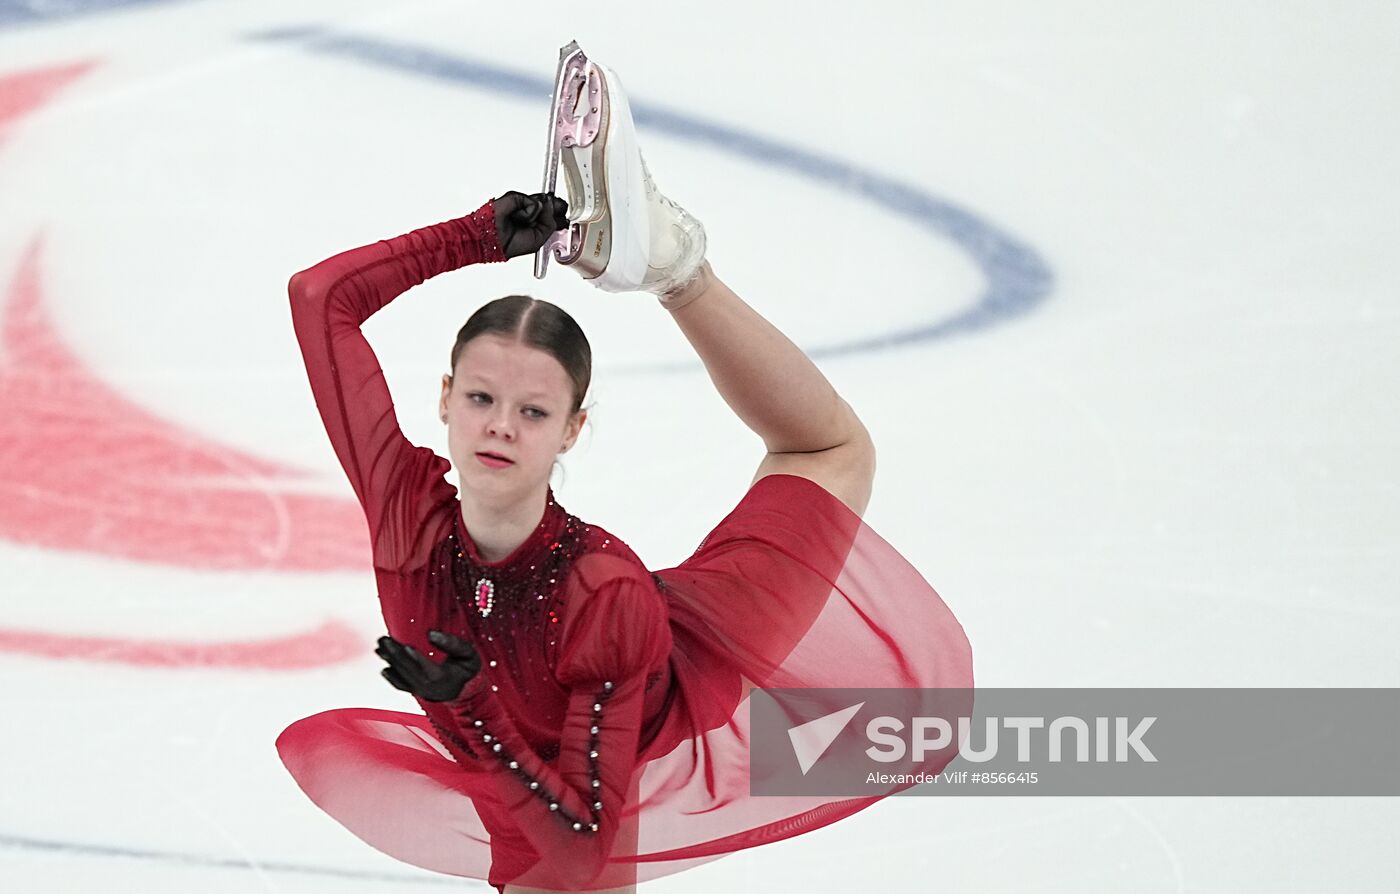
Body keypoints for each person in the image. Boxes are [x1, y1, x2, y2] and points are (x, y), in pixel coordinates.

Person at [275, 59, 972, 894]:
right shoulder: (407, 510)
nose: (500, 424)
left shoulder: (605, 596)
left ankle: (681, 269)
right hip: (526, 774)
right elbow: (320, 298)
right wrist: (475, 237)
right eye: (483, 398)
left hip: (655, 686)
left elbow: (578, 844)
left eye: (533, 413)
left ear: (573, 430)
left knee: (827, 451)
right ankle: (672, 266)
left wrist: (471, 710)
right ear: (447, 400)